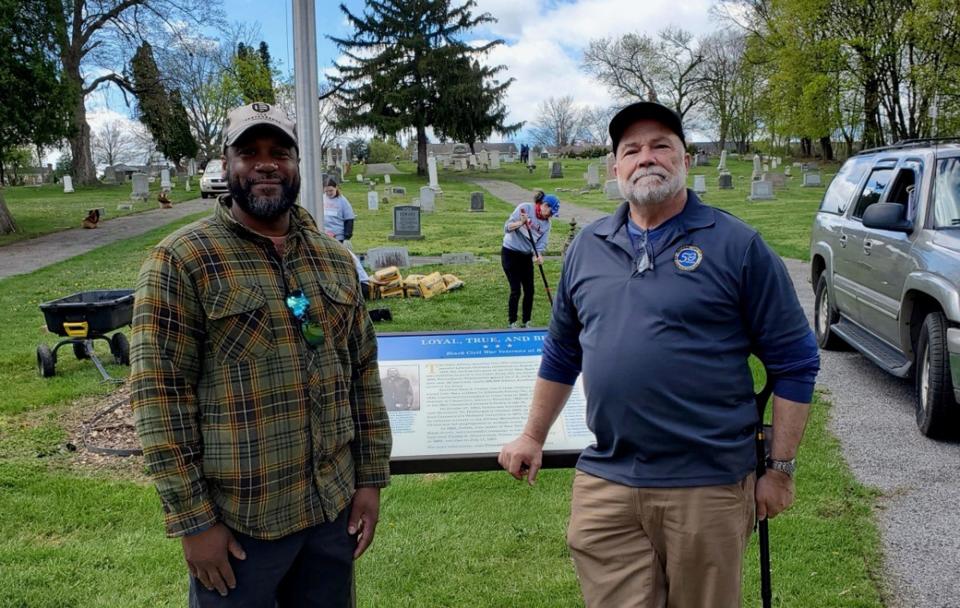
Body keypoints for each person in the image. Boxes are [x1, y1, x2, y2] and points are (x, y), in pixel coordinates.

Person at [498, 101, 820, 608]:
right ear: (616, 167)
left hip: (707, 485)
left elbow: (796, 362)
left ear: (685, 160)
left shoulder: (738, 246)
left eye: (661, 146)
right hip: (608, 483)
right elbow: (562, 350)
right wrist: (532, 435)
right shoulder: (587, 247)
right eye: (632, 149)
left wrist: (779, 470)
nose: (647, 157)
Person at [130, 101, 393, 608]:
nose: (266, 163)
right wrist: (193, 521)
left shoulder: (335, 260)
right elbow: (160, 399)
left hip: (331, 513)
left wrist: (370, 480)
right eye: (249, 152)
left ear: (298, 164)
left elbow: (363, 376)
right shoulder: (182, 260)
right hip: (240, 528)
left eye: (280, 152)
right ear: (227, 165)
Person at [501, 191, 559, 328]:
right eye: (551, 212)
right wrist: (521, 222)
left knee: (530, 290)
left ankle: (526, 321)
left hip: (525, 256)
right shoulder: (525, 208)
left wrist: (538, 255)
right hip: (510, 253)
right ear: (544, 205)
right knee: (516, 289)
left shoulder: (547, 224)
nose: (551, 216)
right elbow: (507, 228)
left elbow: (540, 244)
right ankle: (512, 322)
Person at [322, 178, 356, 243]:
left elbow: (349, 219)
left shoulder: (343, 201)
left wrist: (347, 237)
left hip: (338, 238)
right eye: (326, 191)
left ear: (336, 188)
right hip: (324, 236)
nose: (329, 193)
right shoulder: (321, 198)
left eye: (331, 190)